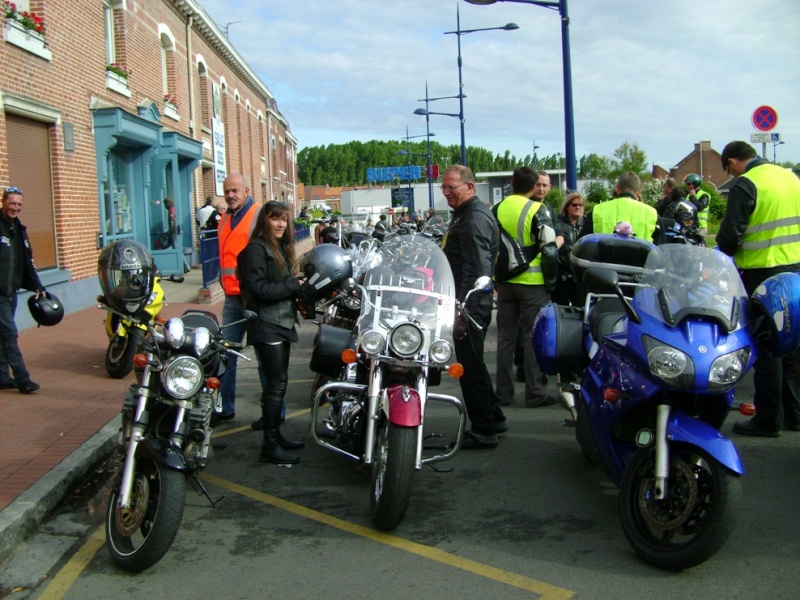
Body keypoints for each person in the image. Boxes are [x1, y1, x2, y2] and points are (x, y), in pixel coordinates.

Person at [716, 141, 800, 437]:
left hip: (763, 272)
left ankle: (767, 420)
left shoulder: (748, 183)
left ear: (733, 162)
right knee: (791, 343)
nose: (733, 175)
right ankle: (796, 414)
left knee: (768, 347)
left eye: (729, 169)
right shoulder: (790, 176)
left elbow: (729, 238)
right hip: (795, 269)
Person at [440, 165, 506, 449]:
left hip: (469, 304)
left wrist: (463, 311)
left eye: (452, 188)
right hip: (468, 302)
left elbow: (477, 270)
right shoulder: (466, 215)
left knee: (470, 367)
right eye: (444, 188)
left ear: (470, 187)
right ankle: (494, 417)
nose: (447, 193)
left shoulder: (473, 219)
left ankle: (483, 429)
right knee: (474, 363)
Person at [237, 201, 306, 463]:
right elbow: (258, 291)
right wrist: (293, 285)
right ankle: (269, 445)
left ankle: (275, 437)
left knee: (278, 384)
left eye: (284, 219)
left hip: (281, 324)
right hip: (267, 325)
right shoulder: (255, 250)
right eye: (274, 218)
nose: (280, 224)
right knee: (275, 386)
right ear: (264, 221)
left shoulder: (276, 247)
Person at [494, 167, 559, 410]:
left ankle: (502, 393)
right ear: (533, 187)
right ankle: (535, 393)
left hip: (504, 283)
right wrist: (550, 282)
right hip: (533, 284)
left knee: (505, 338)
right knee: (532, 338)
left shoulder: (496, 208)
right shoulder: (537, 209)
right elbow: (550, 249)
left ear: (512, 183)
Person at [214, 173, 265, 425]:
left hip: (256, 300)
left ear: (246, 190)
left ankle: (272, 415)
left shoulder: (258, 215)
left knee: (265, 358)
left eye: (235, 190)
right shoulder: (225, 217)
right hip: (232, 301)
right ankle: (225, 408)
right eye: (226, 191)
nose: (230, 195)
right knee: (224, 355)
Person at [0, 187, 45, 394]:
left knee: (3, 335)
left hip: (11, 292)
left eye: (19, 205)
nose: (15, 208)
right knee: (10, 334)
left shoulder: (19, 229)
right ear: (3, 202)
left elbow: (28, 261)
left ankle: (2, 377)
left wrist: (37, 285)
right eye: (12, 203)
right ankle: (23, 379)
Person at [579, 171, 658, 242]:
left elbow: (581, 244)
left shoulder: (597, 210)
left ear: (617, 189)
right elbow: (660, 250)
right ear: (639, 192)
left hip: (604, 257)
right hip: (641, 258)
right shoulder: (652, 214)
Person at [552, 191, 586, 306]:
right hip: (562, 276)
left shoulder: (586, 224)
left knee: (580, 308)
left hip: (580, 276)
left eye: (580, 205)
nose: (578, 207)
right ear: (567, 207)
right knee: (560, 307)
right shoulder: (558, 223)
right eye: (574, 205)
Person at [163, 197, 191, 273]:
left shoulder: (171, 211)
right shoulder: (175, 209)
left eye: (165, 204)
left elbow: (172, 224)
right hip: (178, 231)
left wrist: (167, 232)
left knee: (177, 250)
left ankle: (186, 266)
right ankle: (183, 266)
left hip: (175, 233)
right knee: (178, 249)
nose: (164, 206)